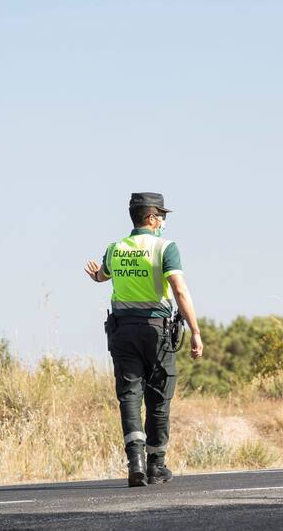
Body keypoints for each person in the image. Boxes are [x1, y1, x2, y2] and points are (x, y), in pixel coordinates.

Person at [84, 192, 203, 487]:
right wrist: (196, 331)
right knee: (159, 397)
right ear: (150, 217)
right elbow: (179, 289)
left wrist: (95, 276)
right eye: (161, 216)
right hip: (156, 332)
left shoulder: (115, 249)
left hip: (123, 332)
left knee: (129, 396)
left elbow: (103, 276)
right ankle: (156, 464)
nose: (162, 221)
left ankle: (135, 462)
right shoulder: (165, 248)